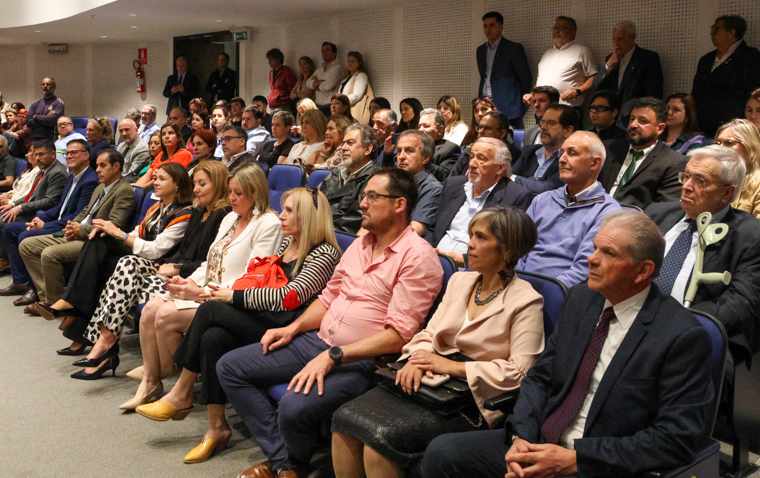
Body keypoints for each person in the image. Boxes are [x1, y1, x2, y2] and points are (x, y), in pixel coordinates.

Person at [421, 210, 715, 478]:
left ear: (642, 271)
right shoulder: (580, 299)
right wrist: (520, 437)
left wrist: (575, 460)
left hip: (599, 462)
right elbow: (540, 378)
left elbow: (676, 439)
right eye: (595, 247)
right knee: (442, 453)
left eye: (608, 253)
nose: (592, 258)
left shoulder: (681, 336)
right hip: (540, 440)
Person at [218, 167, 444, 478]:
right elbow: (327, 298)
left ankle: (289, 462)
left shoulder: (418, 257)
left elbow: (398, 336)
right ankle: (286, 463)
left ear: (399, 205)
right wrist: (292, 327)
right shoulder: (360, 246)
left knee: (293, 407)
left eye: (372, 197)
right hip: (317, 341)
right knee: (229, 366)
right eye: (363, 196)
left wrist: (333, 356)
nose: (362, 203)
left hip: (362, 360)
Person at [333, 207, 544, 476]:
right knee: (344, 420)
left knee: (379, 440)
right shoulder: (460, 280)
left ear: (507, 250)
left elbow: (520, 372)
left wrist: (449, 366)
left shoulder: (526, 301)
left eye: (481, 237)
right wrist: (417, 359)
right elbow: (428, 333)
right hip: (428, 379)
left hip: (471, 399)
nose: (470, 244)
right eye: (470, 235)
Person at [138, 188, 342, 464]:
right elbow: (260, 279)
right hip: (266, 317)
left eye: (290, 210)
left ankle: (182, 392)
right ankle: (216, 427)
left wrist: (230, 296)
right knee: (213, 337)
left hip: (291, 329)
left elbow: (289, 298)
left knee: (210, 308)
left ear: (310, 216)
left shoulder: (325, 252)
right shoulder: (287, 241)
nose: (282, 215)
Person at [133, 163, 282, 403]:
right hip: (208, 288)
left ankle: (169, 372)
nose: (231, 198)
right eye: (230, 191)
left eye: (238, 193)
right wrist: (187, 282)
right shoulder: (232, 218)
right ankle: (150, 380)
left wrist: (201, 292)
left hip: (232, 300)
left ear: (255, 193)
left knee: (165, 315)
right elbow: (210, 261)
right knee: (151, 307)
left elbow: (254, 277)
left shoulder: (268, 224)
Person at [37, 164, 195, 370]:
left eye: (162, 179)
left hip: (159, 265)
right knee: (98, 242)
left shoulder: (185, 214)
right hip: (142, 257)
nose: (155, 182)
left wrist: (119, 234)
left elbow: (156, 250)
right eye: (155, 178)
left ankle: (75, 313)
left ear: (177, 185)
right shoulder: (157, 208)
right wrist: (109, 231)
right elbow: (137, 234)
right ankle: (83, 325)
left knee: (104, 258)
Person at [646, 145, 760, 364]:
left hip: (694, 332)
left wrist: (678, 322)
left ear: (727, 192)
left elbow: (741, 301)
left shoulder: (750, 235)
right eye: (686, 176)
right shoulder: (656, 213)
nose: (687, 187)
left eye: (700, 181)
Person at [18, 149, 136, 312]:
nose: (97, 170)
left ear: (116, 167)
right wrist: (72, 225)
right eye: (97, 166)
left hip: (95, 241)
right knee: (27, 245)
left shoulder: (124, 190)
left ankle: (53, 304)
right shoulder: (100, 187)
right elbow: (85, 211)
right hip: (79, 233)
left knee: (49, 253)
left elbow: (114, 225)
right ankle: (47, 295)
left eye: (103, 166)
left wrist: (80, 229)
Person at [0, 140, 98, 305]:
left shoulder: (90, 180)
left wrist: (45, 226)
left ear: (86, 156)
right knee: (10, 229)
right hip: (57, 222)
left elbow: (77, 216)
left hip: (68, 228)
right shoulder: (73, 176)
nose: (69, 156)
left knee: (25, 236)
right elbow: (59, 206)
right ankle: (21, 282)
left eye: (74, 152)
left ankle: (36, 290)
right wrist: (41, 219)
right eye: (67, 153)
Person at [519, 131, 621, 288]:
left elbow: (584, 268)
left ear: (594, 163)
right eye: (561, 153)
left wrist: (547, 292)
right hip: (519, 287)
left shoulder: (608, 212)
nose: (561, 159)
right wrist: (514, 283)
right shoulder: (542, 200)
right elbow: (517, 249)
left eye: (572, 153)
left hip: (561, 294)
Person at [427, 138, 534, 267]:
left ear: (500, 168)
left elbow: (506, 248)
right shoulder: (453, 185)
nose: (471, 164)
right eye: (471, 157)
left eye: (481, 159)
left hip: (474, 269)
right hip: (432, 259)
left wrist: (465, 260)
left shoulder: (517, 197)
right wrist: (427, 250)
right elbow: (431, 226)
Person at [0, 140, 68, 279]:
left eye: (41, 154)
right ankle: (2, 258)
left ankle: (12, 261)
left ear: (53, 154)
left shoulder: (57, 172)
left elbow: (49, 201)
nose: (37, 158)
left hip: (38, 214)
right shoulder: (44, 169)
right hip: (28, 207)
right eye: (36, 154)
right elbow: (31, 195)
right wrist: (13, 204)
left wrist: (20, 208)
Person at [600, 97, 687, 209]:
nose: (633, 125)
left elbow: (662, 210)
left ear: (659, 128)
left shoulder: (674, 162)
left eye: (643, 121)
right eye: (632, 119)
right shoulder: (608, 148)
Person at [692, 14, 760, 136]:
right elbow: (697, 92)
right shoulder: (706, 59)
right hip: (703, 126)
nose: (711, 33)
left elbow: (751, 93)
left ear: (731, 32)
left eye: (716, 28)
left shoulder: (751, 57)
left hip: (735, 126)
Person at [594, 20, 664, 124]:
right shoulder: (611, 59)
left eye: (620, 39)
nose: (616, 43)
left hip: (635, 116)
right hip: (611, 117)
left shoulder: (647, 58)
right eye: (614, 39)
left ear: (632, 38)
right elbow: (596, 86)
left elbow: (654, 93)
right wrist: (608, 66)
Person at [476, 12, 533, 128]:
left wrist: (519, 107)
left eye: (492, 25)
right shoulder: (480, 50)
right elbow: (484, 76)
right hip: (485, 102)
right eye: (485, 26)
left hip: (508, 107)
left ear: (501, 27)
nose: (488, 29)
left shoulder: (513, 48)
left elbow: (525, 79)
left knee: (510, 141)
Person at [528, 16, 599, 108]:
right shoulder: (547, 54)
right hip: (542, 108)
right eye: (555, 28)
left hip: (566, 107)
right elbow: (540, 81)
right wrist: (531, 94)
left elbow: (593, 78)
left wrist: (577, 91)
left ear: (573, 33)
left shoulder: (582, 52)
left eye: (561, 28)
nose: (556, 31)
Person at [321, 124, 377, 235]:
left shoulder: (375, 180)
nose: (343, 148)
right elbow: (312, 201)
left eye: (350, 143)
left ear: (368, 149)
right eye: (343, 143)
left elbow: (352, 222)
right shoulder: (336, 173)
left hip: (335, 237)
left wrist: (315, 226)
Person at [511, 104, 579, 194]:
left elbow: (548, 188)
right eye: (542, 122)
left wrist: (514, 178)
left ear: (567, 130)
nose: (543, 127)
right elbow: (506, 182)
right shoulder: (528, 152)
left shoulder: (571, 159)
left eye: (551, 123)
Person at [391, 130, 442, 236]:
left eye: (409, 151)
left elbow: (414, 231)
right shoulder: (391, 181)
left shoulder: (432, 188)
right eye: (399, 151)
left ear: (425, 158)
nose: (401, 157)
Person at [449, 111, 522, 177]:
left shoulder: (512, 155)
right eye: (480, 127)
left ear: (502, 133)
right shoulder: (468, 152)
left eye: (487, 128)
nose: (481, 131)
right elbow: (450, 181)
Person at [714, 118, 760, 218]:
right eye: (718, 143)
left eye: (729, 143)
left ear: (749, 147)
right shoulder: (708, 177)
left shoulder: (758, 184)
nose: (720, 148)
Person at [133, 123, 193, 189]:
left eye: (170, 133)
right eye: (163, 134)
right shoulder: (160, 154)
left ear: (178, 138)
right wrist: (136, 188)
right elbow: (147, 176)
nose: (166, 136)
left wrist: (140, 189)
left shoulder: (184, 154)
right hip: (152, 188)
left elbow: (163, 179)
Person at [418, 109, 462, 182]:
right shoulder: (414, 146)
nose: (421, 130)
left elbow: (445, 176)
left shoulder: (450, 149)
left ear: (440, 130)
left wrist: (423, 160)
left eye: (426, 126)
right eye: (419, 126)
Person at [339, 51, 373, 124]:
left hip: (352, 112)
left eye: (353, 61)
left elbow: (357, 96)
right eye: (348, 61)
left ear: (359, 63)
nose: (350, 63)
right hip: (344, 110)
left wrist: (342, 103)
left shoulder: (361, 76)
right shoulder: (346, 78)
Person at [27, 77, 65, 141]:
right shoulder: (35, 103)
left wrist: (36, 117)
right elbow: (28, 121)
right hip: (35, 138)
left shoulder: (58, 103)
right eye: (43, 84)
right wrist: (45, 117)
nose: (45, 86)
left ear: (54, 87)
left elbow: (52, 120)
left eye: (48, 84)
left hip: (51, 138)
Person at [309, 42, 346, 107]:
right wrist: (321, 82)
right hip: (318, 105)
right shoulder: (319, 69)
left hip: (331, 106)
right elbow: (308, 83)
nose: (324, 53)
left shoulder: (337, 68)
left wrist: (315, 85)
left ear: (335, 53)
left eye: (327, 50)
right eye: (322, 51)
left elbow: (327, 86)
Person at [116, 118, 151, 183]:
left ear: (136, 130)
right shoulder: (121, 146)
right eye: (121, 131)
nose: (124, 133)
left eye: (127, 130)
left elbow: (130, 175)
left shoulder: (142, 148)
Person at [267, 48, 297, 114]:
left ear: (277, 60)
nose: (269, 62)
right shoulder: (271, 73)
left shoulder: (287, 72)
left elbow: (292, 89)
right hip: (273, 105)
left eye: (271, 60)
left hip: (283, 105)